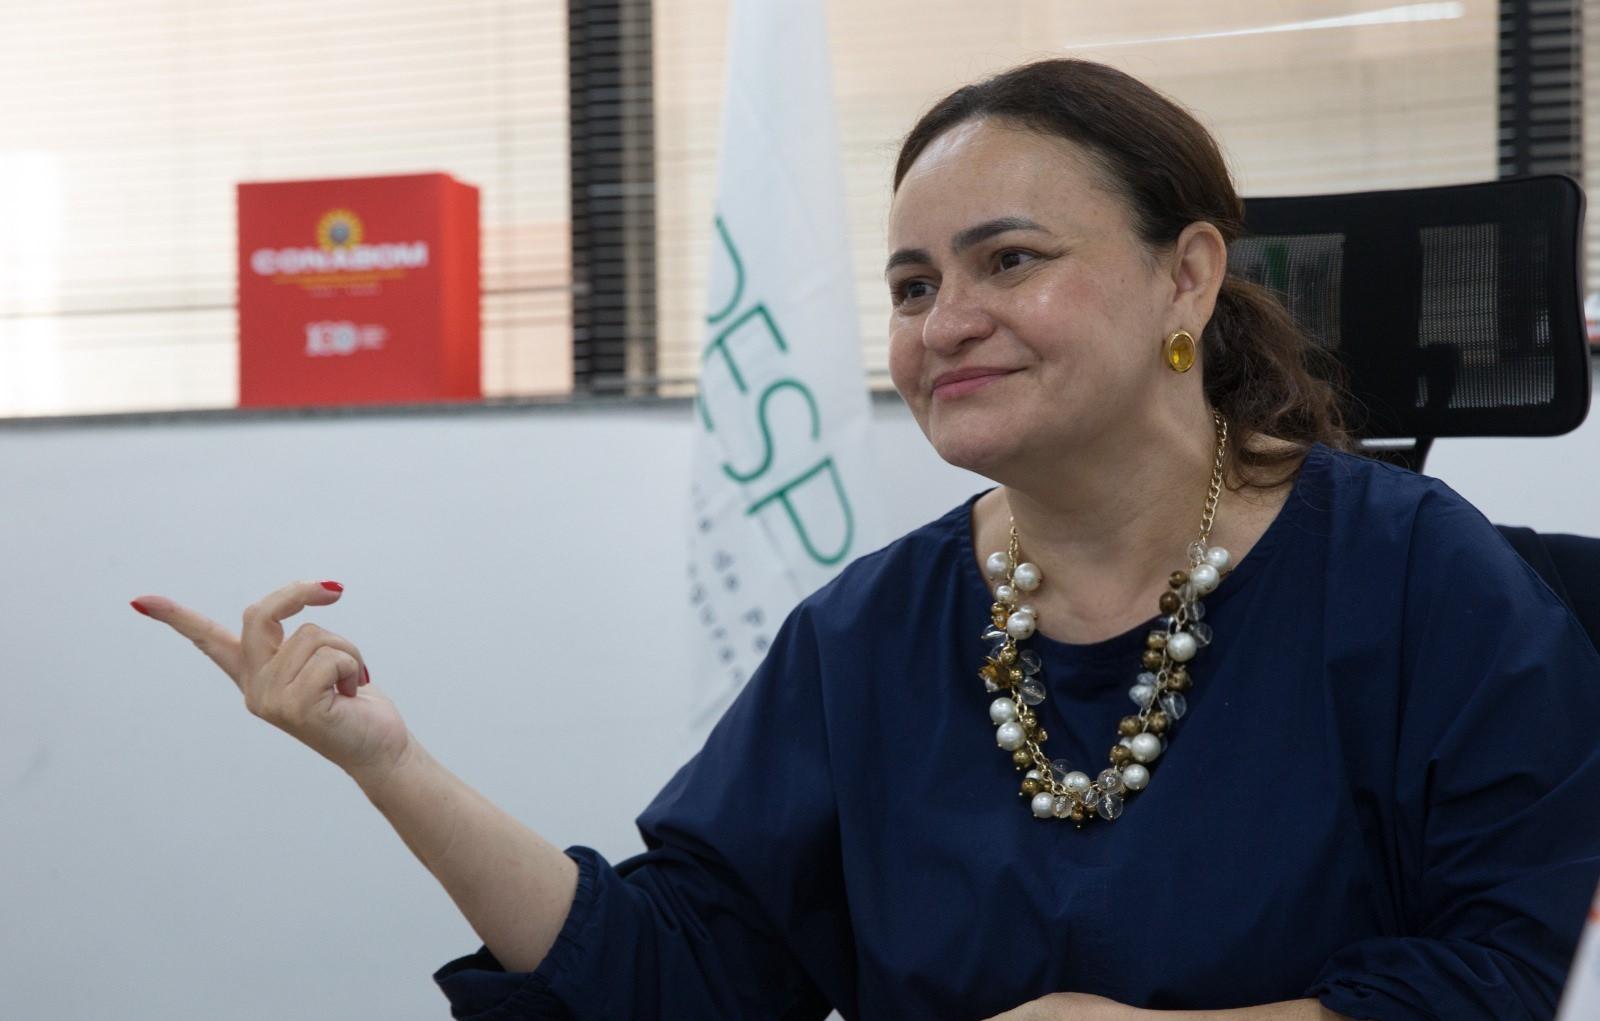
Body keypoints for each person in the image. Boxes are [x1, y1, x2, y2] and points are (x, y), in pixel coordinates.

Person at [131, 59, 1600, 1020]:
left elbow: (1492, 972)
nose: (940, 320)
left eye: (1007, 260)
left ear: (1187, 278)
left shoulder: (1417, 575)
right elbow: (689, 970)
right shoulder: (868, 633)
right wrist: (388, 760)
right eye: (908, 284)